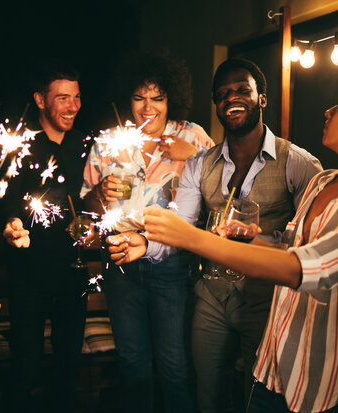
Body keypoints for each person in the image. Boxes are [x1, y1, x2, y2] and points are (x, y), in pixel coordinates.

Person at [115, 56, 338, 413]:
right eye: (222, 93)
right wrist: (254, 239)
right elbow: (291, 246)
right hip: (277, 361)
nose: (328, 111)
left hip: (329, 383)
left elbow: (303, 268)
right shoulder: (322, 181)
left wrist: (190, 237)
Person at [107, 57, 322, 412]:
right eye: (223, 94)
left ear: (261, 98)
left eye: (242, 90)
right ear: (215, 104)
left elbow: (309, 243)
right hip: (211, 299)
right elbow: (183, 224)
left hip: (265, 302)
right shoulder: (199, 164)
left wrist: (263, 241)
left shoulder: (299, 163)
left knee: (262, 398)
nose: (232, 98)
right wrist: (145, 243)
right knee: (208, 397)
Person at [81, 52, 214, 413]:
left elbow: (221, 189)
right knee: (132, 363)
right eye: (140, 97)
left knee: (174, 366)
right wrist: (98, 193)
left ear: (172, 97)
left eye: (157, 97)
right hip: (120, 263)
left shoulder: (193, 136)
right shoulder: (108, 142)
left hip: (171, 266)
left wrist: (194, 155)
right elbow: (85, 211)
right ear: (129, 98)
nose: (147, 107)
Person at [0, 59, 91, 413]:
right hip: (29, 277)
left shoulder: (86, 145)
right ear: (40, 100)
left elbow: (94, 201)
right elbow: (5, 201)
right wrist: (11, 223)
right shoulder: (20, 145)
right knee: (26, 368)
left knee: (69, 369)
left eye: (78, 97)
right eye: (63, 98)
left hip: (74, 273)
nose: (73, 107)